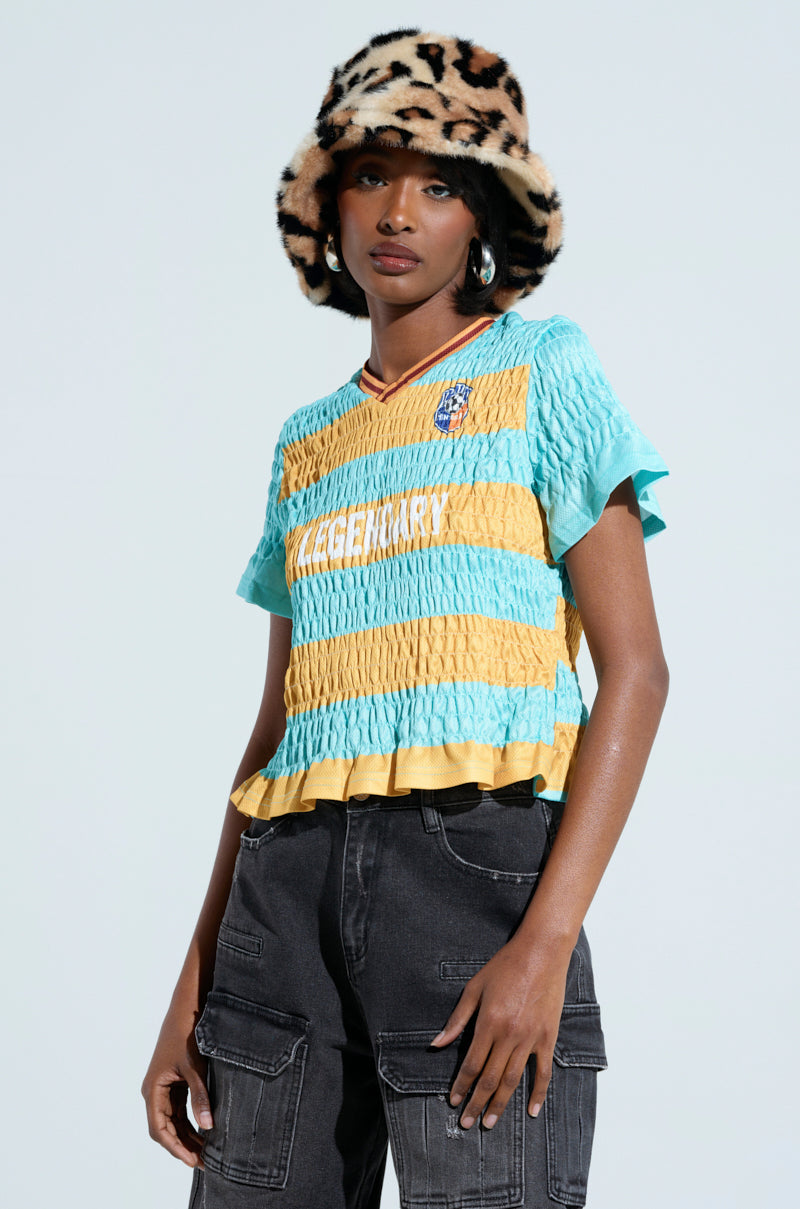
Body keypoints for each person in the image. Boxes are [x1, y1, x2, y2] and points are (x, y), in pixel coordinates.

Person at [142, 28, 670, 1209]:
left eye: (438, 185)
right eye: (371, 176)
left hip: (478, 883)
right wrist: (192, 987)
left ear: (482, 216)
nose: (396, 213)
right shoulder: (307, 444)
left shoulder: (543, 373)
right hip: (281, 904)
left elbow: (636, 673)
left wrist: (543, 945)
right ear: (326, 206)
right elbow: (277, 731)